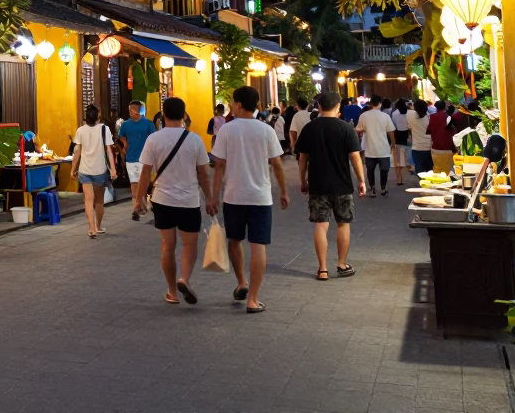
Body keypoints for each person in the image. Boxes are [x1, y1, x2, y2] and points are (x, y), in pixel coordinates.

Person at [207, 86, 288, 314]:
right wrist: (283, 192)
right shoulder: (266, 130)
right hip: (261, 197)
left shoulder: (226, 130)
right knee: (258, 244)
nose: (232, 105)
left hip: (234, 195)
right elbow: (278, 164)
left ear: (240, 104)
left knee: (234, 240)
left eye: (234, 102)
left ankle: (242, 281)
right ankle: (253, 299)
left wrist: (214, 197)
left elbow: (219, 166)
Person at [133, 96, 210, 305]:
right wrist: (210, 198)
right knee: (189, 244)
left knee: (167, 244)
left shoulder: (154, 140)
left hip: (162, 200)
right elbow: (203, 173)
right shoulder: (194, 139)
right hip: (189, 200)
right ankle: (184, 278)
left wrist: (138, 199)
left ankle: (172, 292)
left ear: (163, 115)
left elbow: (145, 172)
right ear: (184, 115)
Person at [297, 92, 367, 280]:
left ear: (319, 107)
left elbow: (302, 158)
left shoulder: (309, 128)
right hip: (342, 185)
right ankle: (342, 264)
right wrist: (361, 180)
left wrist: (302, 180)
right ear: (338, 108)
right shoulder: (346, 128)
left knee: (321, 225)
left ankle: (322, 269)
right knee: (343, 224)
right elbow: (355, 157)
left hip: (318, 184)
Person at [70, 104, 118, 239]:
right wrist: (113, 169)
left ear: (86, 117)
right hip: (100, 171)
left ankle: (91, 228)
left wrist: (73, 169)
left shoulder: (80, 130)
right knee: (99, 201)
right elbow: (109, 151)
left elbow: (77, 152)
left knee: (88, 200)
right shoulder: (104, 129)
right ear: (97, 117)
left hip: (84, 170)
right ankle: (98, 226)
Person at [118, 100, 157, 220]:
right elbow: (122, 139)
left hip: (144, 159)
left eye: (132, 110)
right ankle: (137, 206)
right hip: (131, 158)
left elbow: (154, 140)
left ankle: (140, 203)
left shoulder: (148, 124)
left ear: (138, 110)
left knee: (143, 183)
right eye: (129, 110)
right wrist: (124, 148)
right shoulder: (125, 125)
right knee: (134, 183)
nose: (130, 112)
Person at [355, 95, 395, 197]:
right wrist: (393, 144)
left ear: (370, 104)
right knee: (384, 169)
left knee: (370, 169)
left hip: (370, 148)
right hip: (383, 148)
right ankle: (383, 188)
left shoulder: (364, 116)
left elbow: (358, 129)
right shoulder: (385, 116)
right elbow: (391, 132)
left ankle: (372, 189)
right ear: (380, 103)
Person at [428, 100, 455, 174]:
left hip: (435, 148)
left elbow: (428, 131)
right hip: (447, 148)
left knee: (437, 171)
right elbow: (452, 132)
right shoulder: (448, 117)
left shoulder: (431, 117)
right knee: (448, 172)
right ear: (445, 107)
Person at [407, 99, 433, 174]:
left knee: (420, 172)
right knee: (430, 171)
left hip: (417, 148)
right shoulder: (429, 118)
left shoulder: (410, 116)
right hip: (429, 147)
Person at [390, 99, 411, 186]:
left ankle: (399, 179)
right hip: (408, 135)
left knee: (397, 160)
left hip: (398, 136)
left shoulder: (394, 114)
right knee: (407, 158)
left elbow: (393, 125)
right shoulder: (409, 113)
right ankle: (406, 176)